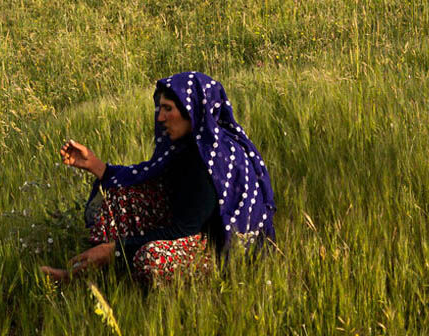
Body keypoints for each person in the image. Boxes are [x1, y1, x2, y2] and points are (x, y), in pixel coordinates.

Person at [40, 72, 275, 285]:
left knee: (152, 258)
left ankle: (100, 273)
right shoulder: (190, 147)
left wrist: (115, 250)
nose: (160, 117)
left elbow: (183, 229)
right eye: (160, 108)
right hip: (188, 228)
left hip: (216, 249)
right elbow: (147, 176)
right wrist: (95, 165)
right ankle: (93, 275)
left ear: (192, 110)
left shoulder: (211, 162)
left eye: (168, 109)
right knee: (117, 198)